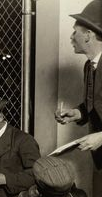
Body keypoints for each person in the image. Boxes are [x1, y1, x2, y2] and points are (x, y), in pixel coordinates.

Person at [55, 0, 102, 169]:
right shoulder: (89, 66)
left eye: (75, 32)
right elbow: (97, 103)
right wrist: (77, 113)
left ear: (88, 35)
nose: (71, 37)